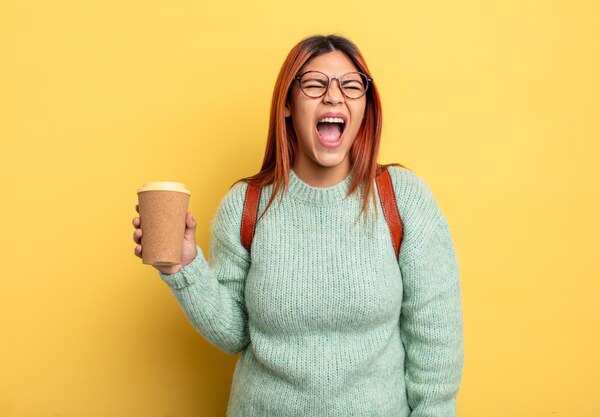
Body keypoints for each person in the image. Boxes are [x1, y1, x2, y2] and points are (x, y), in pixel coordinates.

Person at [132, 34, 463, 417]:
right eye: (314, 83)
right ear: (288, 103)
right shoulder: (245, 205)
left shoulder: (404, 199)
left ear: (365, 105)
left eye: (351, 86)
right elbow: (234, 333)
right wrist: (183, 268)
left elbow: (436, 342)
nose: (334, 96)